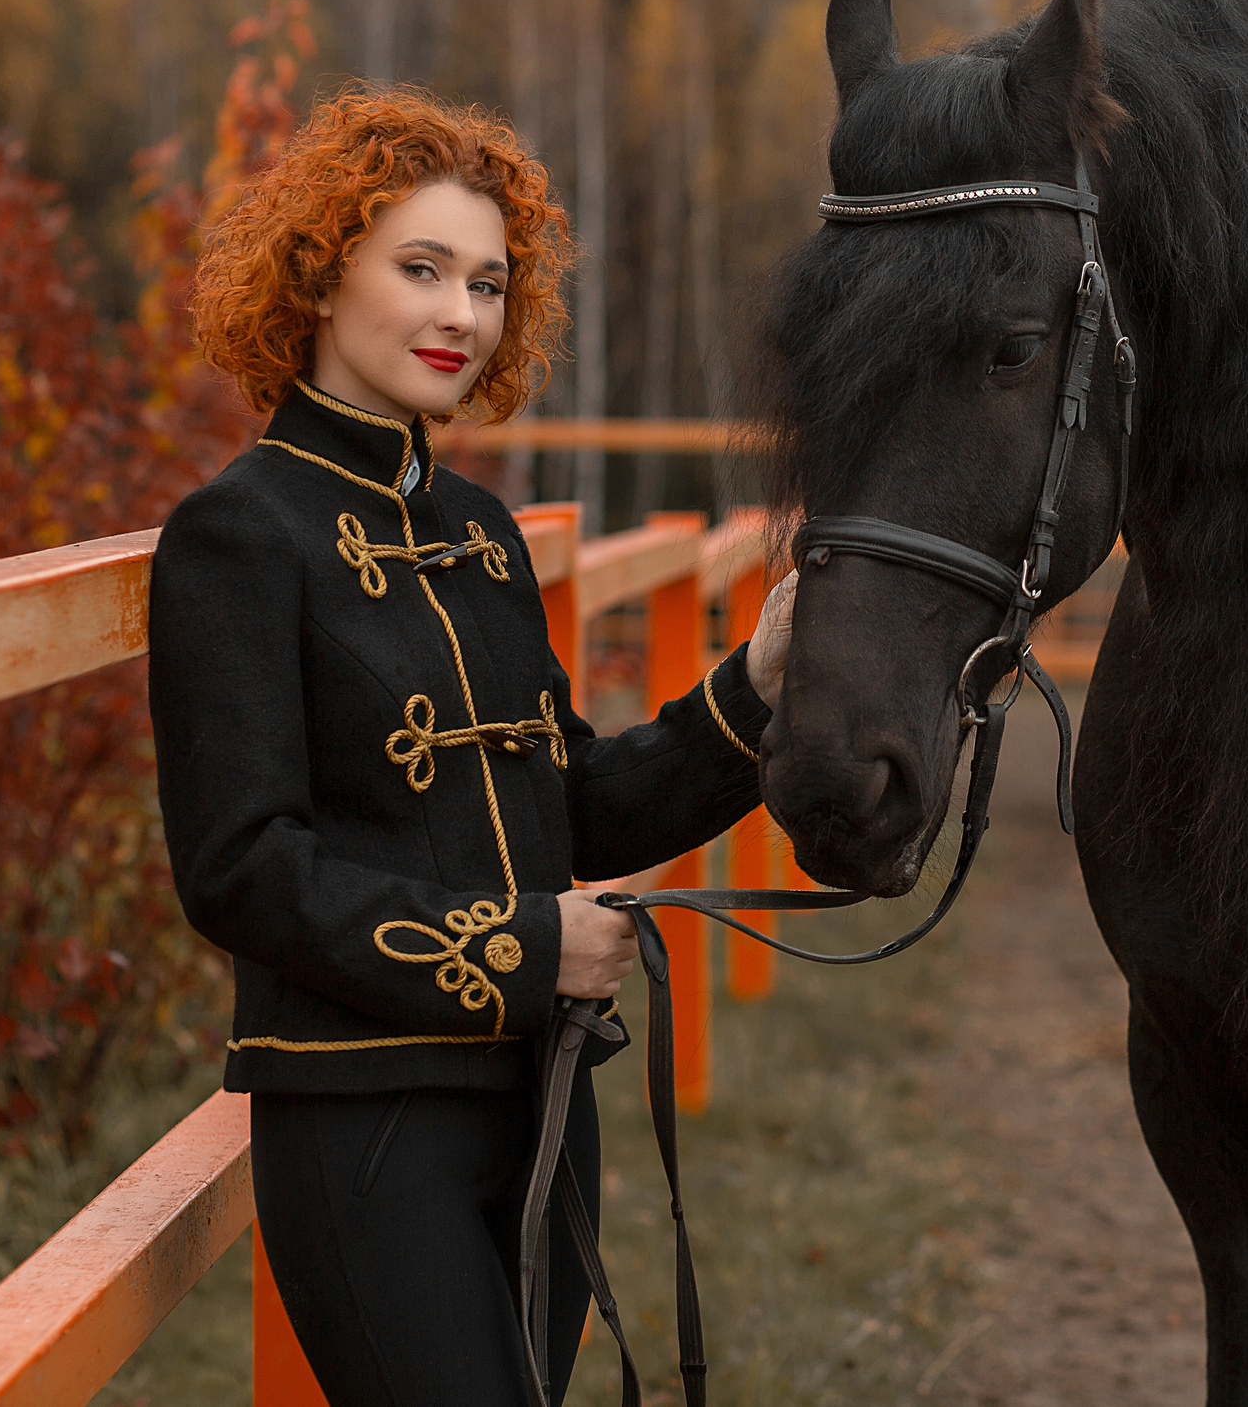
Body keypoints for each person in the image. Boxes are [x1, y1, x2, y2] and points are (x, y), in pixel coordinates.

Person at [147, 85, 793, 1405]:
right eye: (423, 268)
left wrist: (758, 686)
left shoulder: (483, 535)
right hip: (362, 1122)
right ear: (320, 278)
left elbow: (573, 813)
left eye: (489, 283)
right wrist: (524, 947)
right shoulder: (238, 536)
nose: (462, 314)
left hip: (544, 1102)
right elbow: (241, 870)